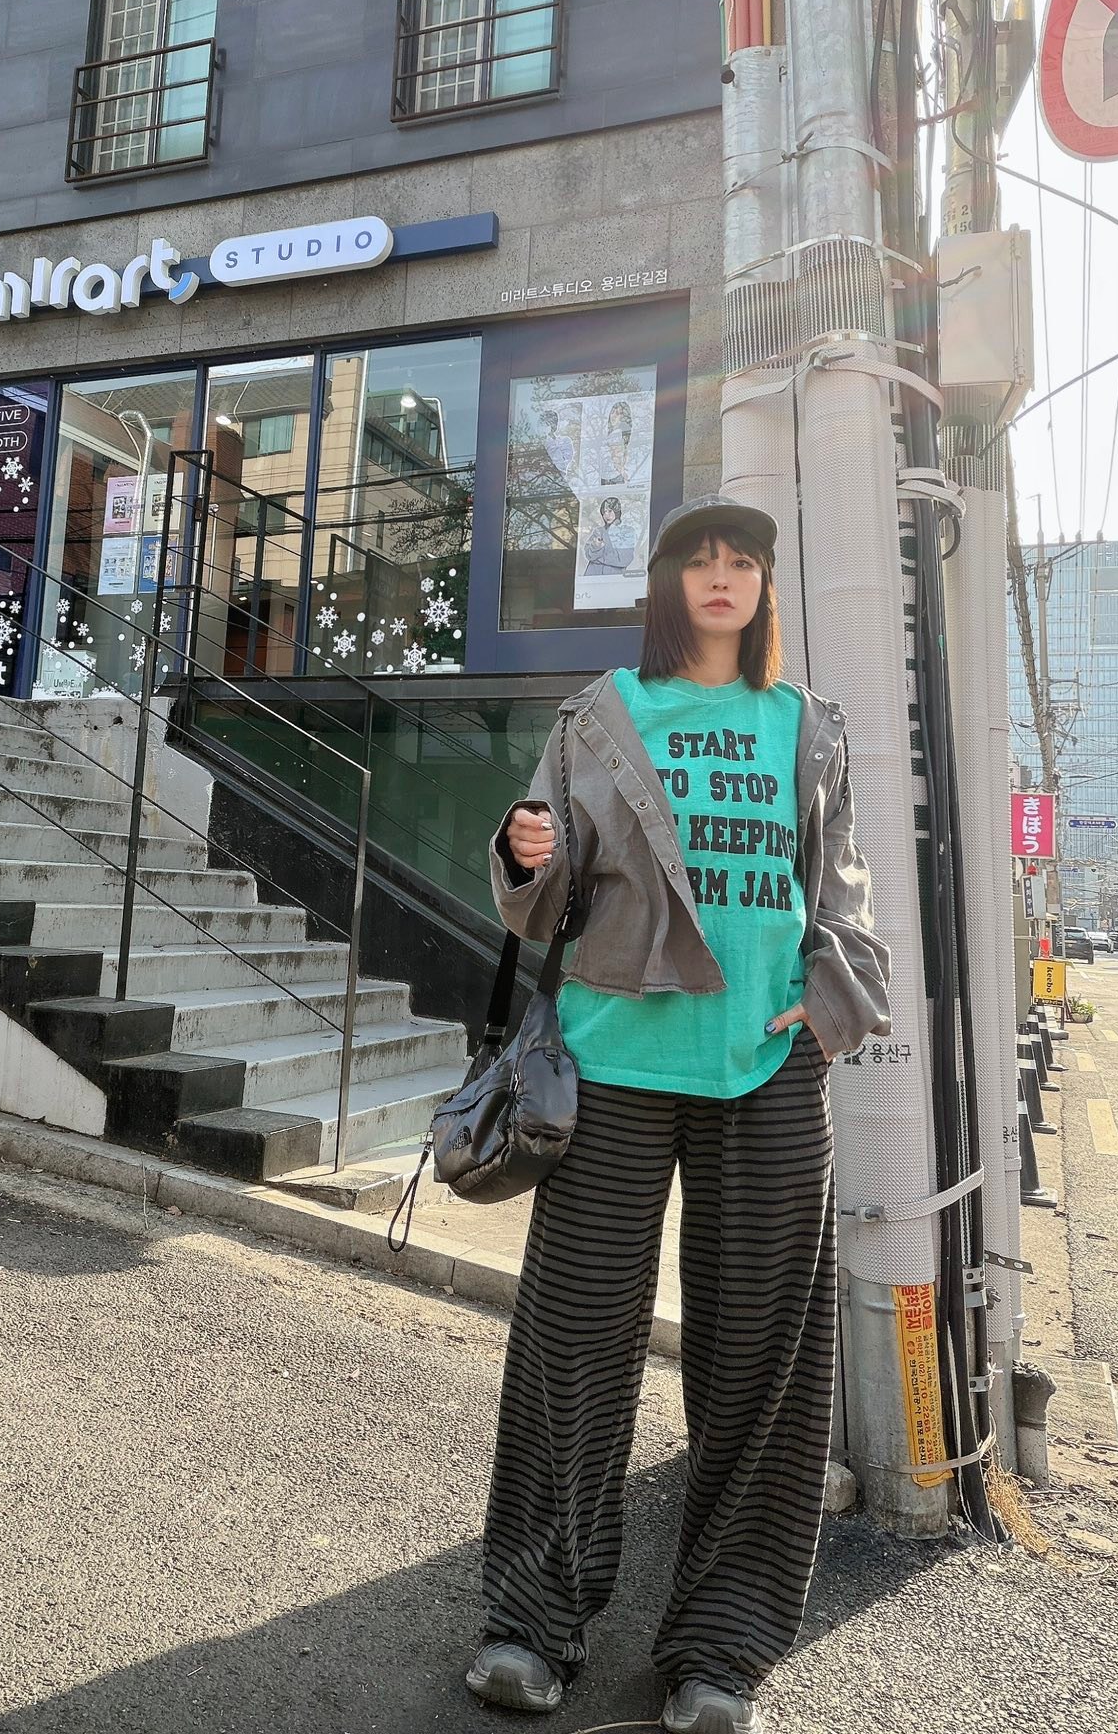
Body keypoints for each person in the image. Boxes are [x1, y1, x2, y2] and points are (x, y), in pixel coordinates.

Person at [467, 494, 890, 1733]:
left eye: (741, 561)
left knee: (763, 1366)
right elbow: (541, 894)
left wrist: (829, 1004)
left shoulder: (809, 724)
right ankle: (531, 1620)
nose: (721, 576)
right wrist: (526, 852)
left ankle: (721, 1648)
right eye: (699, 559)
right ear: (665, 583)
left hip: (767, 1067)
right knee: (575, 1344)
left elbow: (842, 892)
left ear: (762, 586)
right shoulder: (600, 713)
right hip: (611, 1062)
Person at [582, 495, 638, 575]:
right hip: (592, 576)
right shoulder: (598, 531)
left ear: (616, 511)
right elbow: (588, 555)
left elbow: (623, 560)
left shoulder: (627, 531)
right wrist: (596, 547)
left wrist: (598, 558)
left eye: (610, 511)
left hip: (613, 578)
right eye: (604, 512)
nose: (606, 515)